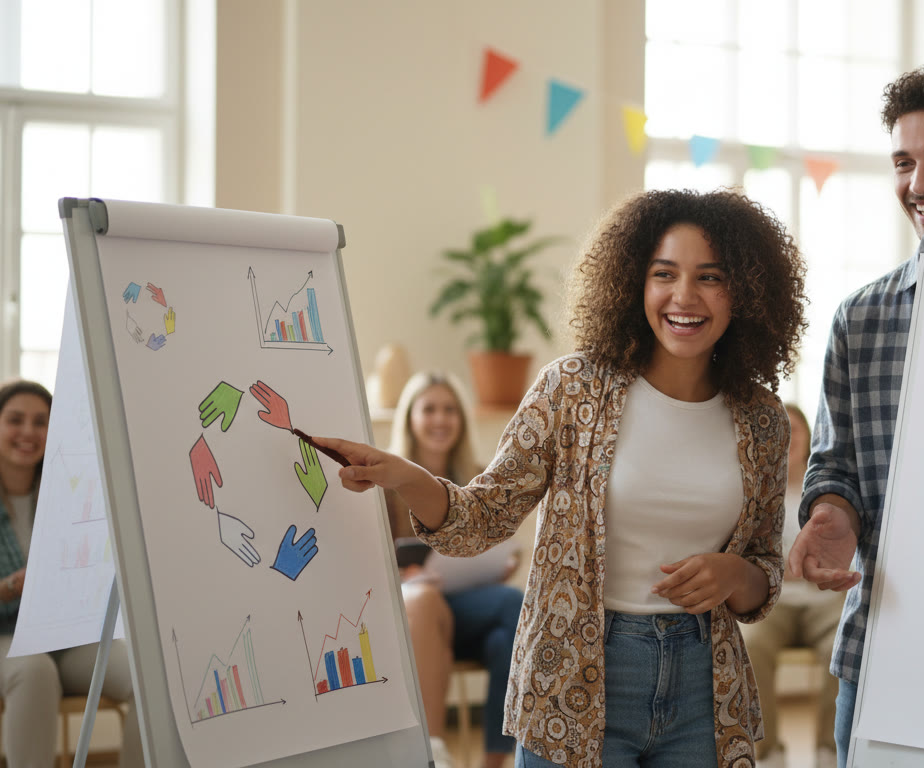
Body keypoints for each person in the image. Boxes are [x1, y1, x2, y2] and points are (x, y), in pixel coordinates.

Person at [319, 188, 807, 767]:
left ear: (745, 291)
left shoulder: (763, 421)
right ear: (634, 283)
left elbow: (764, 576)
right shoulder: (571, 389)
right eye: (664, 274)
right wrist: (405, 475)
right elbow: (482, 516)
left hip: (705, 686)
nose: (684, 296)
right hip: (574, 677)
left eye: (710, 277)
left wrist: (733, 572)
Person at [786, 64, 924, 767]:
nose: (920, 184)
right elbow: (835, 462)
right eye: (904, 162)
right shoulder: (863, 317)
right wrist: (830, 512)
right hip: (888, 643)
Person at [0, 379, 144, 768]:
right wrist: (13, 586)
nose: (29, 431)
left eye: (41, 422)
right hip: (7, 639)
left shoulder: (70, 493)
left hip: (65, 638)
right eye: (16, 420)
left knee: (144, 673)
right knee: (34, 670)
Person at [385, 371, 523, 768]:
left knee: (509, 622)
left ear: (462, 419)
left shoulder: (481, 480)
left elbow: (495, 546)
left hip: (468, 607)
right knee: (433, 598)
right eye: (429, 409)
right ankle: (436, 753)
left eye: (450, 409)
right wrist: (403, 577)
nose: (440, 419)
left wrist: (497, 566)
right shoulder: (387, 487)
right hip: (414, 613)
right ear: (409, 418)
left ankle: (491, 762)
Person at [741, 404, 844, 768]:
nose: (791, 439)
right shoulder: (753, 491)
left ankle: (828, 749)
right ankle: (767, 752)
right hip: (774, 600)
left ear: (810, 438)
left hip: (824, 600)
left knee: (841, 646)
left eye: (797, 431)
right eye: (784, 431)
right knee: (750, 644)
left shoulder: (828, 489)